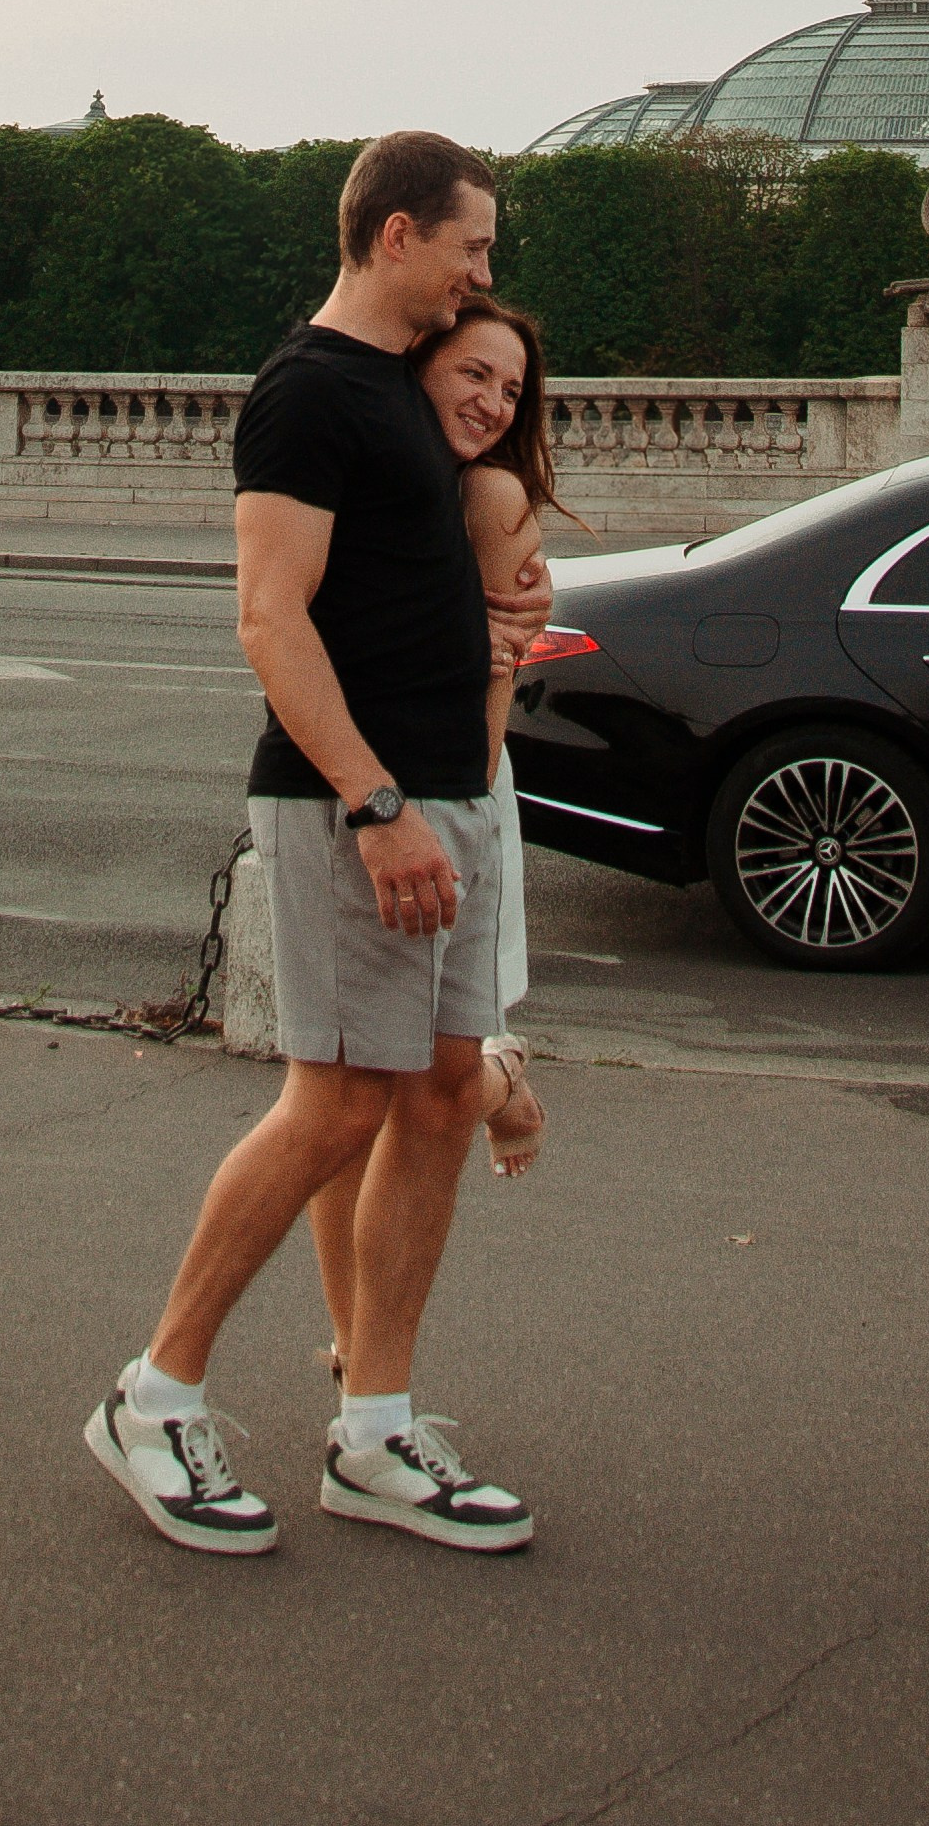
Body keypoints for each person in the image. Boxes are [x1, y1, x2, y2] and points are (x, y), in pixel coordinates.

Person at [84, 132, 552, 1560]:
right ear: (396, 233)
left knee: (438, 1097)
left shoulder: (401, 396)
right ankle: (153, 1397)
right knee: (336, 1106)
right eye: (470, 246)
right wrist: (377, 805)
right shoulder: (305, 393)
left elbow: (400, 594)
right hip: (358, 807)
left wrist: (488, 658)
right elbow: (269, 619)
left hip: (440, 795)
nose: (485, 271)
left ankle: (373, 1427)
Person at [306, 301, 578, 1390]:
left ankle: (500, 1080)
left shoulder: (488, 490)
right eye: (474, 373)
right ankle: (354, 1345)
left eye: (510, 390)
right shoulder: (397, 476)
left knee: (406, 1076)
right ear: (418, 366)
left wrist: (445, 800)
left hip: (445, 788)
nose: (492, 402)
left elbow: (499, 674)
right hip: (384, 786)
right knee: (361, 1084)